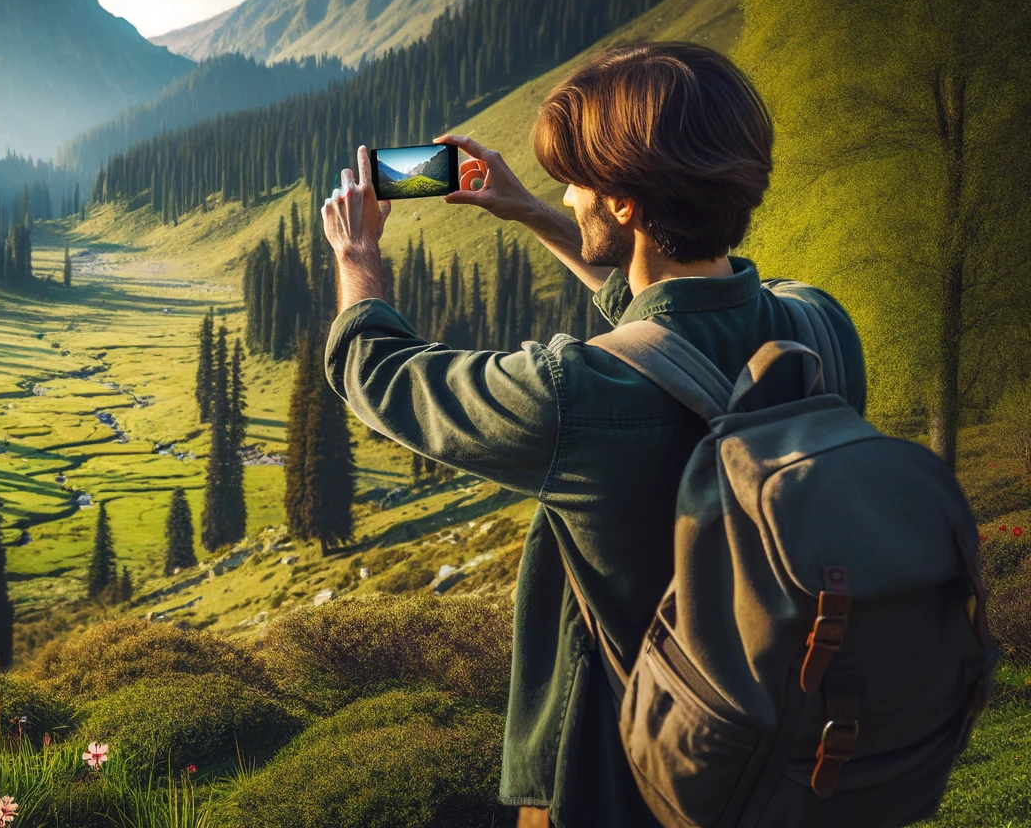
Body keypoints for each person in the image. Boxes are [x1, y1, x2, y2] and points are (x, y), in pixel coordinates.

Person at [319, 42, 863, 828]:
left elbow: (380, 375)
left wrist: (357, 256)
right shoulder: (821, 323)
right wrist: (531, 212)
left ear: (628, 206)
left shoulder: (578, 394)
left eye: (577, 182)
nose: (567, 194)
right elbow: (675, 324)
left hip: (611, 780)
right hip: (781, 749)